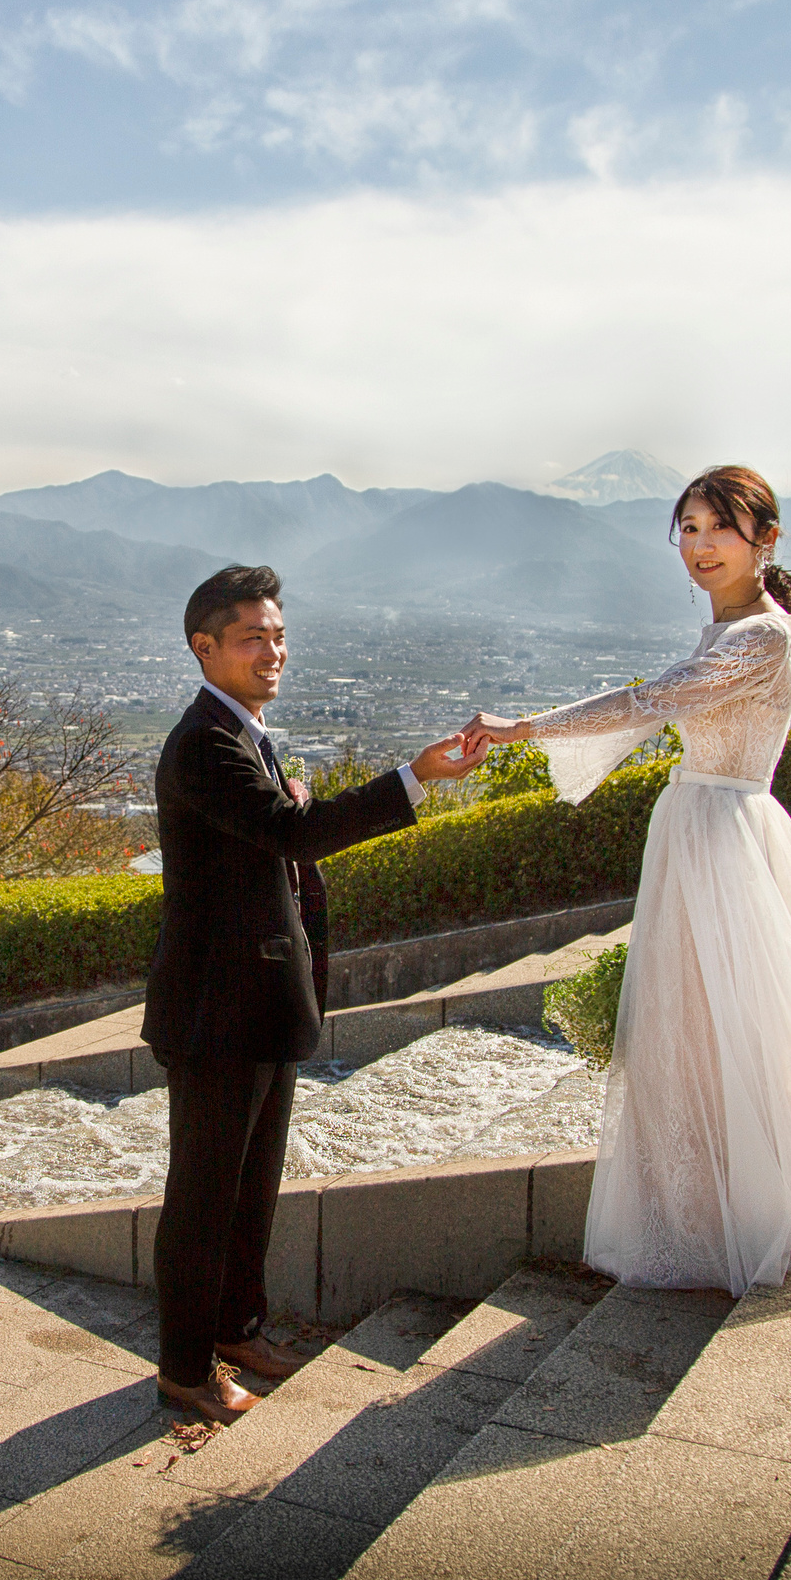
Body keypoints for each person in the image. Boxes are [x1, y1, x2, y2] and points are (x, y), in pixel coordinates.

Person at [464, 466, 791, 1295]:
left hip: (726, 839)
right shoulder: (733, 628)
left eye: (720, 527)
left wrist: (521, 729)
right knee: (695, 1034)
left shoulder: (762, 637)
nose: (701, 545)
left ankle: (759, 1214)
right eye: (689, 527)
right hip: (696, 831)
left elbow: (653, 700)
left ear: (766, 540)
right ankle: (714, 1214)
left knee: (742, 1032)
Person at [146, 564, 486, 1424]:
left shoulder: (246, 732)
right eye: (254, 636)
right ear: (205, 647)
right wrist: (415, 778)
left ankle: (240, 1327)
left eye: (280, 634)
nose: (274, 651)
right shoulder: (203, 743)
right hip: (216, 1013)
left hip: (261, 1002)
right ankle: (185, 1369)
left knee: (252, 1187)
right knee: (203, 1194)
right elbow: (291, 831)